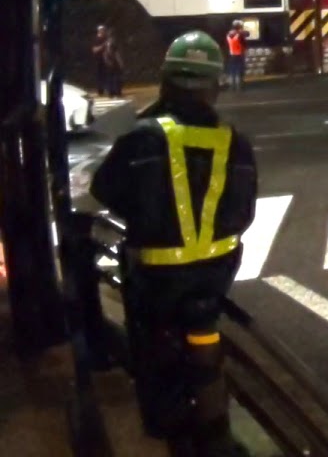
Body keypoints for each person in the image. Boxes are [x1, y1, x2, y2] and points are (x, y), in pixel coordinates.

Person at [90, 31, 256, 456]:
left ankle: (173, 431)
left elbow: (105, 189)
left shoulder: (143, 138)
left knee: (158, 355)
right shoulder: (233, 141)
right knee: (205, 340)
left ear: (165, 81)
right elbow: (244, 213)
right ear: (214, 86)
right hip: (216, 275)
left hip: (158, 276)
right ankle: (215, 429)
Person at [92, 25, 124, 97]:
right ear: (99, 31)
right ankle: (101, 90)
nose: (104, 31)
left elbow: (114, 51)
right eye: (102, 30)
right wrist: (104, 45)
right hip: (99, 61)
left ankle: (111, 91)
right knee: (101, 76)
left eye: (104, 30)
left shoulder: (107, 39)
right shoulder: (97, 39)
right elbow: (94, 50)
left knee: (109, 76)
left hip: (107, 61)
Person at [224, 20, 248, 91]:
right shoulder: (240, 34)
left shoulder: (228, 34)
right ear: (239, 26)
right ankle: (239, 86)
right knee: (240, 70)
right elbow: (247, 35)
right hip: (240, 54)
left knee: (232, 70)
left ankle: (232, 86)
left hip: (231, 55)